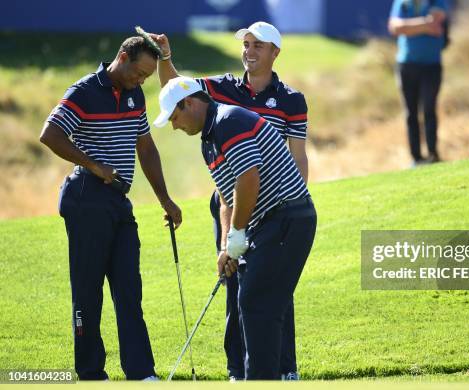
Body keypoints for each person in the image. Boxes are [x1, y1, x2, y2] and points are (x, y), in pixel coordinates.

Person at [150, 21, 307, 380]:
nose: (249, 51)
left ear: (274, 53)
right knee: (237, 284)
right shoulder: (221, 91)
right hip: (233, 202)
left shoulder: (290, 100)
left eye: (257, 45)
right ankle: (240, 369)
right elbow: (177, 92)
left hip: (274, 204)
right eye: (246, 44)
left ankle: (283, 369)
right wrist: (229, 239)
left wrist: (293, 205)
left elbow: (295, 157)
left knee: (272, 289)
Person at [39, 37, 182, 380]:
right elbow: (50, 134)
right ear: (122, 57)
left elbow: (146, 150)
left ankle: (141, 373)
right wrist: (95, 166)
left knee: (129, 291)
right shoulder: (85, 91)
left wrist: (165, 199)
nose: (142, 81)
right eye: (139, 72)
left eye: (148, 76)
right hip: (86, 197)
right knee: (88, 294)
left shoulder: (135, 95)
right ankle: (91, 374)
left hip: (118, 202)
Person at [388, 0, 449, 166]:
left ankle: (432, 155)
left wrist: (409, 28)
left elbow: (436, 24)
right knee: (411, 113)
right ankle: (416, 158)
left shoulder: (437, 2)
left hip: (431, 65)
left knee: (429, 109)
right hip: (406, 65)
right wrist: (425, 24)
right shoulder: (402, 3)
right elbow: (395, 27)